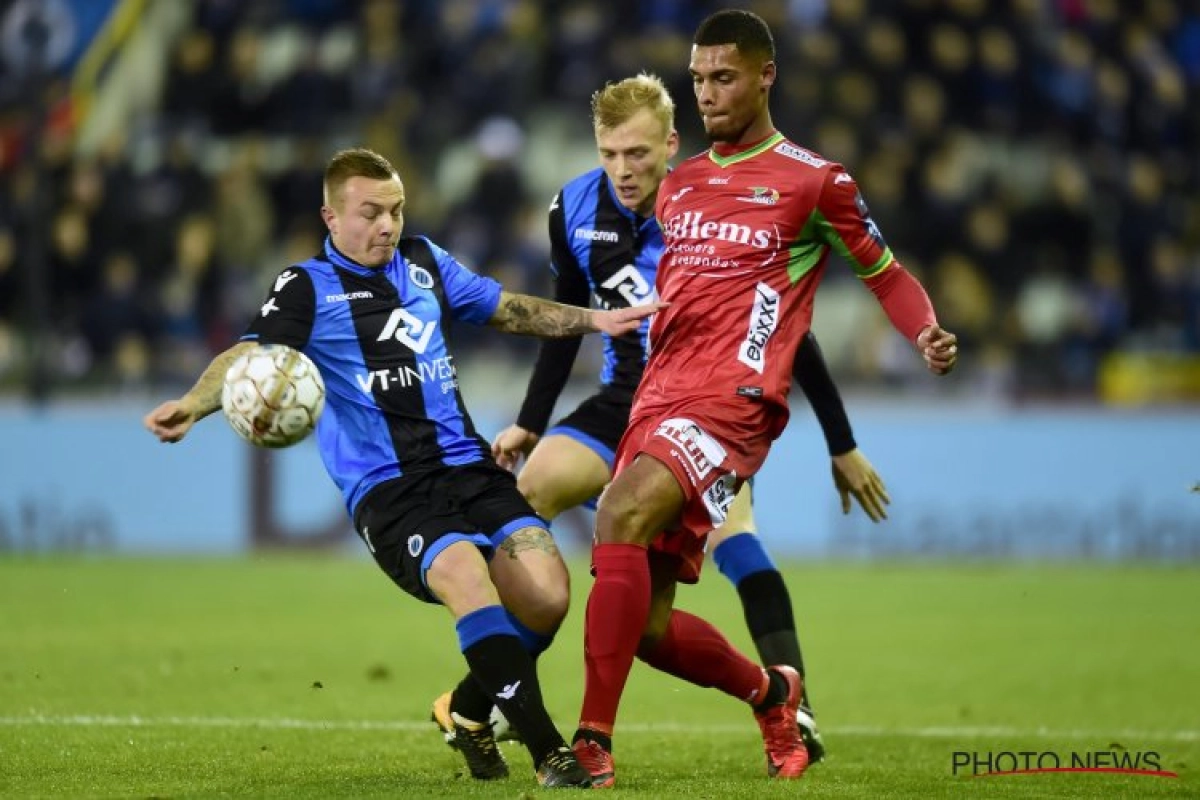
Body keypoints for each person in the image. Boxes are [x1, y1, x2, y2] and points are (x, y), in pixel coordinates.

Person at [142, 147, 664, 790]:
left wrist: (597, 319)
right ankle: (551, 754)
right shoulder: (304, 287)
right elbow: (247, 355)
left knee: (548, 597)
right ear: (331, 217)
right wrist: (194, 405)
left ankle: (469, 715)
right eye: (370, 213)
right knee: (468, 578)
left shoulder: (422, 260)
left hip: (469, 467)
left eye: (395, 210)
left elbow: (507, 308)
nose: (386, 225)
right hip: (390, 490)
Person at [433, 72, 890, 768]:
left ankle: (795, 703)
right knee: (525, 503)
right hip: (622, 402)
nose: (623, 170)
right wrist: (529, 422)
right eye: (610, 154)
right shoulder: (572, 209)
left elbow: (792, 332)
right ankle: (485, 696)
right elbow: (567, 314)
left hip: (706, 406)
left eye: (638, 154)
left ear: (670, 145)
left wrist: (842, 442)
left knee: (735, 550)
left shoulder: (713, 206)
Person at [568, 10, 959, 787]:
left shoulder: (816, 181)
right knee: (645, 627)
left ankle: (590, 745)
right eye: (700, 79)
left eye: (724, 78)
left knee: (615, 514)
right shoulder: (678, 188)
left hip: (734, 402)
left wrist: (926, 332)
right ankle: (774, 693)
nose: (708, 94)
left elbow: (884, 273)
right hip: (658, 397)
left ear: (765, 75)